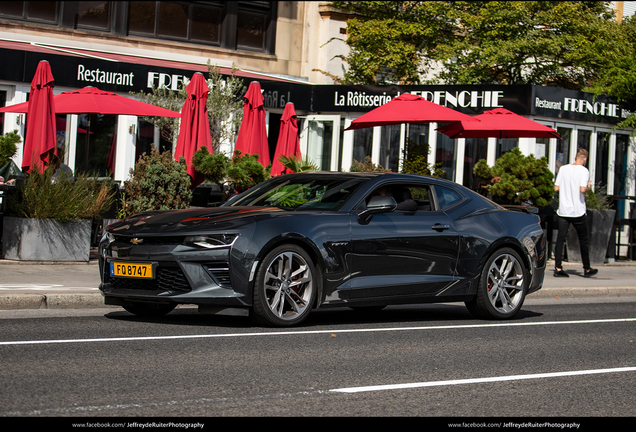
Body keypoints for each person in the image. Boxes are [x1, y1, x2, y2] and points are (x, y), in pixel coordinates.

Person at [553, 148, 598, 278]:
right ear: (585, 159)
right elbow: (583, 189)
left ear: (575, 158)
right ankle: (587, 268)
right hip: (577, 211)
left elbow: (556, 188)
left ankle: (558, 268)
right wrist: (589, 186)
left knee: (560, 239)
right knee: (583, 240)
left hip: (563, 210)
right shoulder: (584, 171)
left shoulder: (563, 169)